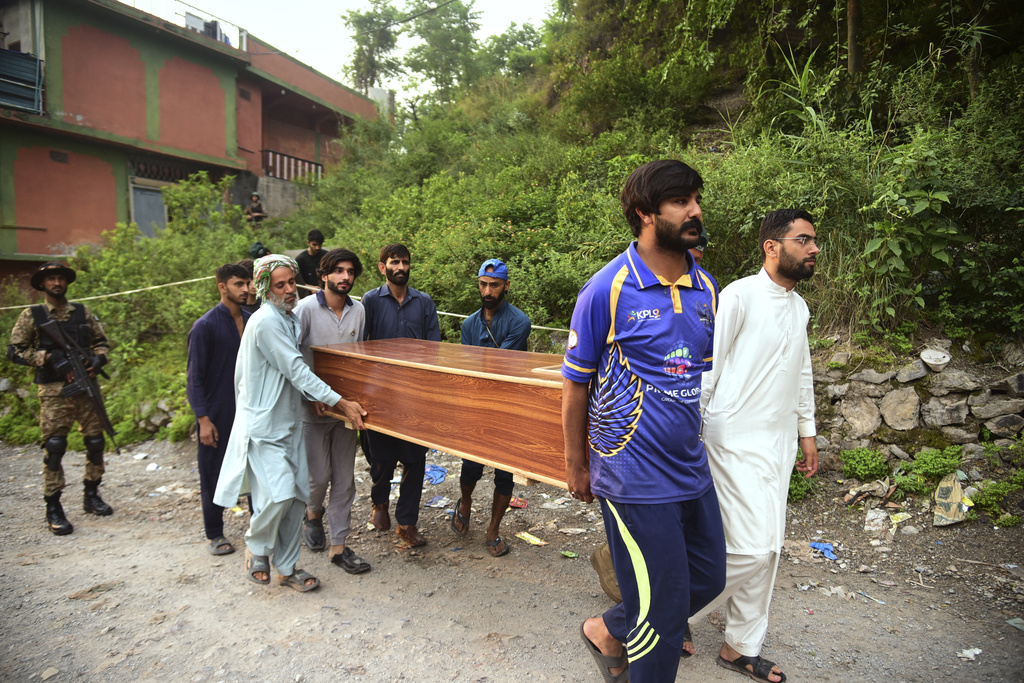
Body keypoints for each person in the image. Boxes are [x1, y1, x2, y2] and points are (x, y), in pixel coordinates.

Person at [562, 160, 726, 682]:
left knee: (707, 576)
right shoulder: (607, 289)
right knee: (661, 612)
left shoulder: (707, 290)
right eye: (681, 201)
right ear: (645, 214)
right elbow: (576, 384)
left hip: (689, 470)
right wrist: (576, 463)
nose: (695, 210)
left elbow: (689, 382)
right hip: (631, 477)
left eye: (696, 199)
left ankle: (608, 628)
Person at [692, 209, 820, 683]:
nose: (814, 249)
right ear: (772, 246)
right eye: (803, 240)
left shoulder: (800, 307)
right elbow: (709, 365)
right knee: (753, 547)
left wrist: (806, 430)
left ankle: (739, 646)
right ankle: (667, 616)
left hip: (778, 443)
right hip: (730, 437)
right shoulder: (739, 295)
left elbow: (801, 372)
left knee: (770, 547)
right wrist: (692, 428)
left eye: (814, 241)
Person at [213, 254, 367, 592]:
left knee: (297, 500)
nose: (288, 290)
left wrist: (318, 397)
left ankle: (286, 567)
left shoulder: (287, 319)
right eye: (279, 285)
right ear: (265, 288)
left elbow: (297, 376)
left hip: (291, 422)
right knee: (280, 495)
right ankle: (256, 544)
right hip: (265, 427)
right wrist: (340, 401)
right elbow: (297, 369)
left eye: (291, 283)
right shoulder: (267, 321)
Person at [7, 262, 113, 535]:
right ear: (42, 285)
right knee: (55, 446)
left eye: (60, 278)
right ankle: (53, 506)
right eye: (51, 279)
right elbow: (15, 351)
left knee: (96, 441)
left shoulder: (82, 312)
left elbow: (102, 342)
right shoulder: (32, 315)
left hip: (86, 387)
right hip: (54, 392)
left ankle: (92, 494)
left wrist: (97, 359)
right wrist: (48, 357)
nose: (56, 283)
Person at [294, 248, 372, 575]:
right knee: (319, 477)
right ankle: (312, 515)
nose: (345, 277)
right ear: (323, 275)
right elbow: (292, 360)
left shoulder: (359, 311)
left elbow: (359, 360)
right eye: (338, 271)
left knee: (345, 479)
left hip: (345, 409)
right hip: (311, 407)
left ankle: (339, 546)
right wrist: (309, 394)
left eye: (350, 272)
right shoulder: (304, 310)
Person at [361, 243, 441, 547]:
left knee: (415, 459)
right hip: (379, 394)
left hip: (414, 394)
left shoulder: (424, 302)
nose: (401, 267)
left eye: (405, 262)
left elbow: (433, 348)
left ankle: (407, 523)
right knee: (380, 459)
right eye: (395, 262)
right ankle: (379, 502)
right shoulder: (369, 301)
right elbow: (360, 345)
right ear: (383, 267)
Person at [451, 258, 532, 557]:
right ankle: (466, 503)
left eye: (494, 285)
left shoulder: (519, 322)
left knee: (504, 471)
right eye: (484, 284)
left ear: (506, 286)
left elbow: (497, 364)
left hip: (508, 405)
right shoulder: (469, 323)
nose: (488, 290)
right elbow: (466, 366)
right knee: (470, 465)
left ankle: (493, 529)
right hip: (476, 403)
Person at [186, 263, 252, 556]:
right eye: (238, 284)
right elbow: (194, 377)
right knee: (212, 471)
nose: (246, 289)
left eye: (247, 283)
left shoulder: (253, 320)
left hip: (250, 409)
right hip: (217, 411)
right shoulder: (205, 326)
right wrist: (203, 419)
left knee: (255, 468)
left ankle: (259, 527)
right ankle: (215, 533)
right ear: (222, 287)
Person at [295, 229, 325, 297]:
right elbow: (298, 281)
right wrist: (311, 287)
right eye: (314, 245)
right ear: (308, 243)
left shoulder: (326, 256)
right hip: (308, 295)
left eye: (319, 245)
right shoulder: (300, 259)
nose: (317, 247)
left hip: (325, 292)